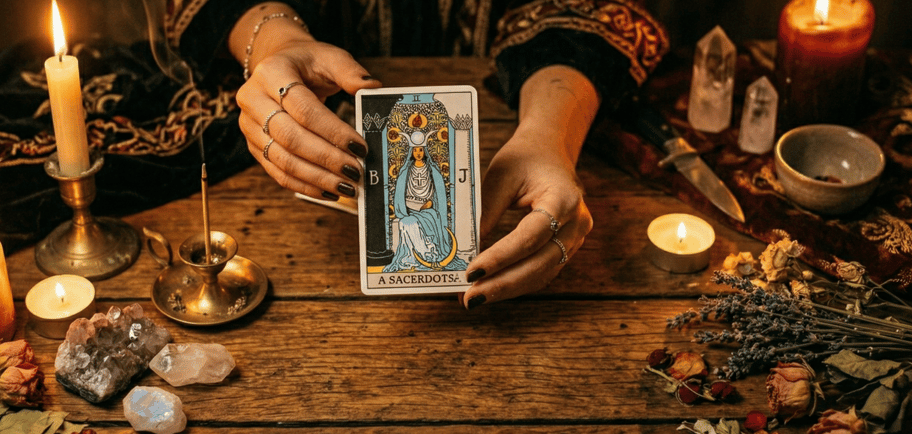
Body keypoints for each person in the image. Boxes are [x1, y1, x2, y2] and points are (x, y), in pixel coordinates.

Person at [163, 0, 668, 309]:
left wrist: (549, 136)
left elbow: (593, 12)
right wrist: (276, 44)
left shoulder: (427, 165)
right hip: (325, 143)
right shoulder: (405, 173)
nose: (419, 159)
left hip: (514, 100)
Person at [384, 143, 468, 273]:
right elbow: (401, 194)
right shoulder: (406, 170)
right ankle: (419, 256)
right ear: (411, 152)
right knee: (406, 222)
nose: (418, 153)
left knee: (426, 218)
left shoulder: (432, 170)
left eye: (421, 150)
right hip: (409, 209)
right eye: (415, 150)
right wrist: (407, 206)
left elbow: (437, 193)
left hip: (428, 209)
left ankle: (431, 255)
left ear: (425, 151)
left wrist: (428, 204)